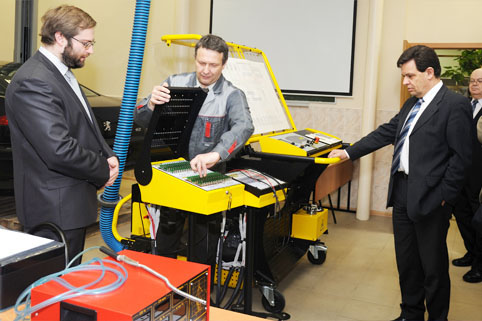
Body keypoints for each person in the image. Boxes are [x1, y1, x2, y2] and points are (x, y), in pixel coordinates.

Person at [328, 45, 472, 321]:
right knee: (407, 261)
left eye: (409, 76)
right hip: (403, 192)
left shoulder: (455, 105)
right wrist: (348, 152)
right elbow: (386, 132)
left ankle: (437, 317)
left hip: (432, 197)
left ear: (429, 72)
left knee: (433, 266)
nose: (405, 82)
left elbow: (462, 157)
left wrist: (445, 196)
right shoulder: (411, 104)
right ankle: (411, 313)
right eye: (404, 77)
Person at [5, 5, 119, 266]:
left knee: (68, 285)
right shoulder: (33, 81)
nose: (90, 50)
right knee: (53, 292)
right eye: (86, 43)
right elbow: (58, 149)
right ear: (59, 37)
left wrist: (107, 154)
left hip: (69, 204)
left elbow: (84, 126)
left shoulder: (60, 74)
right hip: (53, 209)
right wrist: (101, 168)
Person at [134, 34, 254, 268]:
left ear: (224, 64)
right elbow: (142, 118)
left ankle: (200, 295)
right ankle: (165, 289)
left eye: (213, 65)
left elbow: (244, 126)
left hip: (207, 177)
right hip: (172, 177)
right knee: (166, 238)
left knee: (203, 242)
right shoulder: (174, 83)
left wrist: (217, 154)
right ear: (194, 59)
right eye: (201, 63)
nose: (206, 70)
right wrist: (150, 104)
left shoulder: (232, 95)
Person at [452, 68, 482, 283]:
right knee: (462, 217)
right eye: (472, 81)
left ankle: (480, 265)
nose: (474, 85)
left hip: (479, 177)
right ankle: (471, 253)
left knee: (479, 221)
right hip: (459, 174)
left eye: (480, 81)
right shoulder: (464, 106)